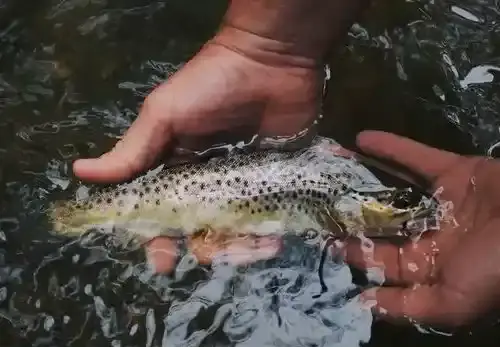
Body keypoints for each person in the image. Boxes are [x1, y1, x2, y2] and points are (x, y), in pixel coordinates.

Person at [72, 1, 500, 328]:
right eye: (402, 206)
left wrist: (266, 45)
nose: (414, 212)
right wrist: (265, 48)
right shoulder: (341, 196)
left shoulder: (339, 196)